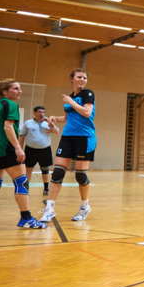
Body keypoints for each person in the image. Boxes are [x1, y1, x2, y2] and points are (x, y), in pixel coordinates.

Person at [0, 80, 45, 231]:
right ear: (5, 92)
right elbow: (8, 127)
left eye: (20, 88)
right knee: (21, 182)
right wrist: (18, 147)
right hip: (5, 148)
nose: (20, 91)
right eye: (16, 88)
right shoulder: (10, 104)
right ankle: (26, 218)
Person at [40, 69, 96, 223]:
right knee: (57, 173)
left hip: (85, 138)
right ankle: (49, 209)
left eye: (85, 77)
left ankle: (85, 206)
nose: (82, 80)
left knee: (80, 175)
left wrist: (70, 102)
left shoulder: (87, 94)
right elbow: (67, 117)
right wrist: (54, 118)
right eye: (79, 77)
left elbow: (86, 112)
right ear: (72, 79)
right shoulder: (70, 97)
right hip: (67, 137)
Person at [18, 106, 58, 200]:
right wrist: (19, 149)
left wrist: (51, 124)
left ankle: (46, 188)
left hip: (45, 149)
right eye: (40, 112)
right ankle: (26, 187)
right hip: (31, 150)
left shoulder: (48, 123)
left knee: (45, 169)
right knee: (28, 169)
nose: (42, 114)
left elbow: (56, 132)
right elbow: (22, 136)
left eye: (43, 112)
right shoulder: (28, 123)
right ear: (34, 113)